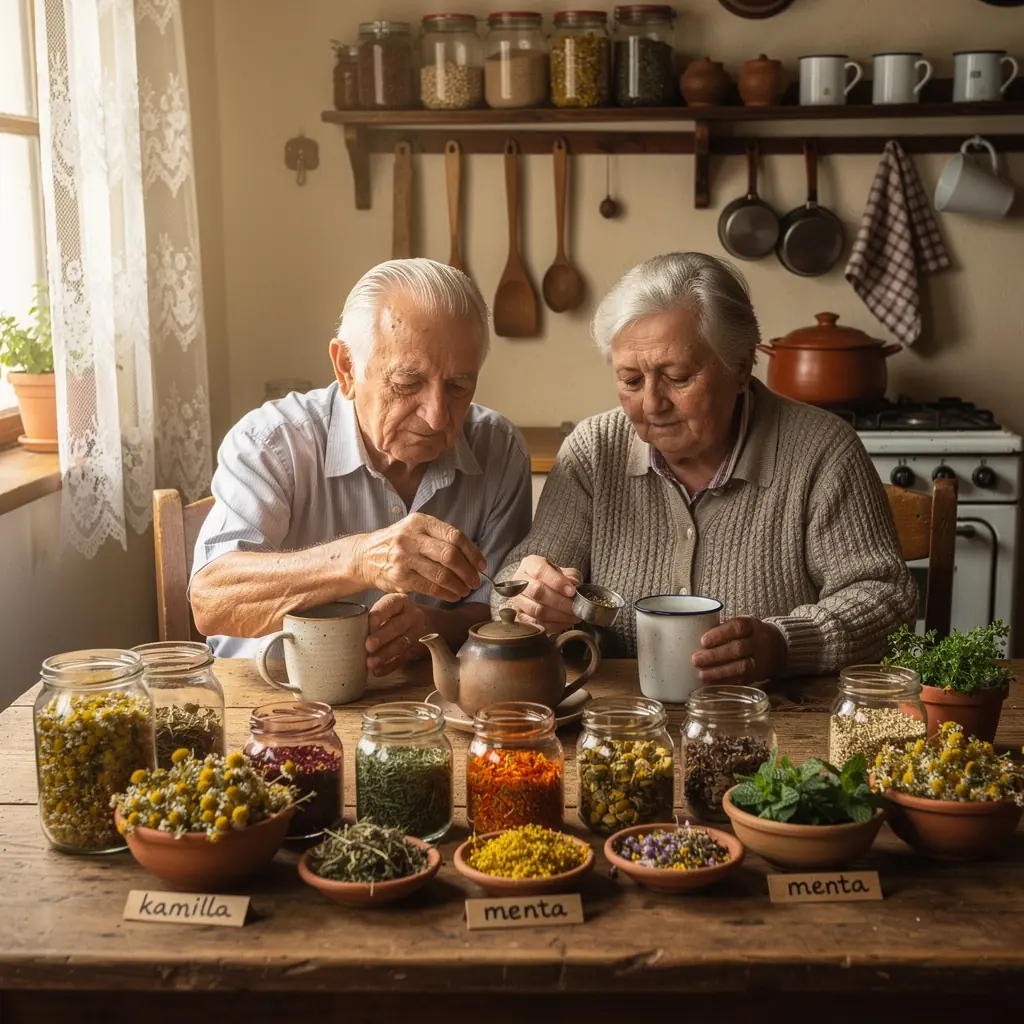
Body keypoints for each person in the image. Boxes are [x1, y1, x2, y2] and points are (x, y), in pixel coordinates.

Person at [495, 252, 916, 683]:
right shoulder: (593, 451)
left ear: (740, 366)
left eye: (678, 377)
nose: (652, 404)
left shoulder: (822, 451)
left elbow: (886, 598)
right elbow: (511, 584)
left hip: (773, 712)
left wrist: (785, 644)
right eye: (631, 380)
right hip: (620, 714)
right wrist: (529, 601)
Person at [191, 258, 532, 674]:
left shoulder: (499, 449)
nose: (437, 416)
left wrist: (430, 628)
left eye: (459, 386)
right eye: (407, 383)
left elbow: (495, 610)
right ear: (347, 368)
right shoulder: (271, 443)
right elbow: (211, 601)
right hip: (267, 697)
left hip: (423, 702)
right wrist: (359, 559)